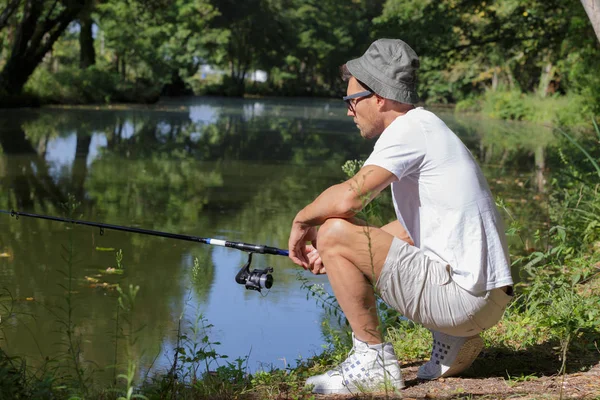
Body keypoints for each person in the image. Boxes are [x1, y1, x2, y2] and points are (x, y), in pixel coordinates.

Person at [287, 38, 514, 395]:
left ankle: (372, 362)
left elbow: (349, 198)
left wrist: (304, 222)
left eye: (351, 100)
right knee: (338, 240)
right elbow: (411, 232)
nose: (349, 111)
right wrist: (351, 254)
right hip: (486, 298)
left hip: (464, 300)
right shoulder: (429, 128)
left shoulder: (407, 129)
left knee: (331, 229)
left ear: (378, 97)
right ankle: (455, 339)